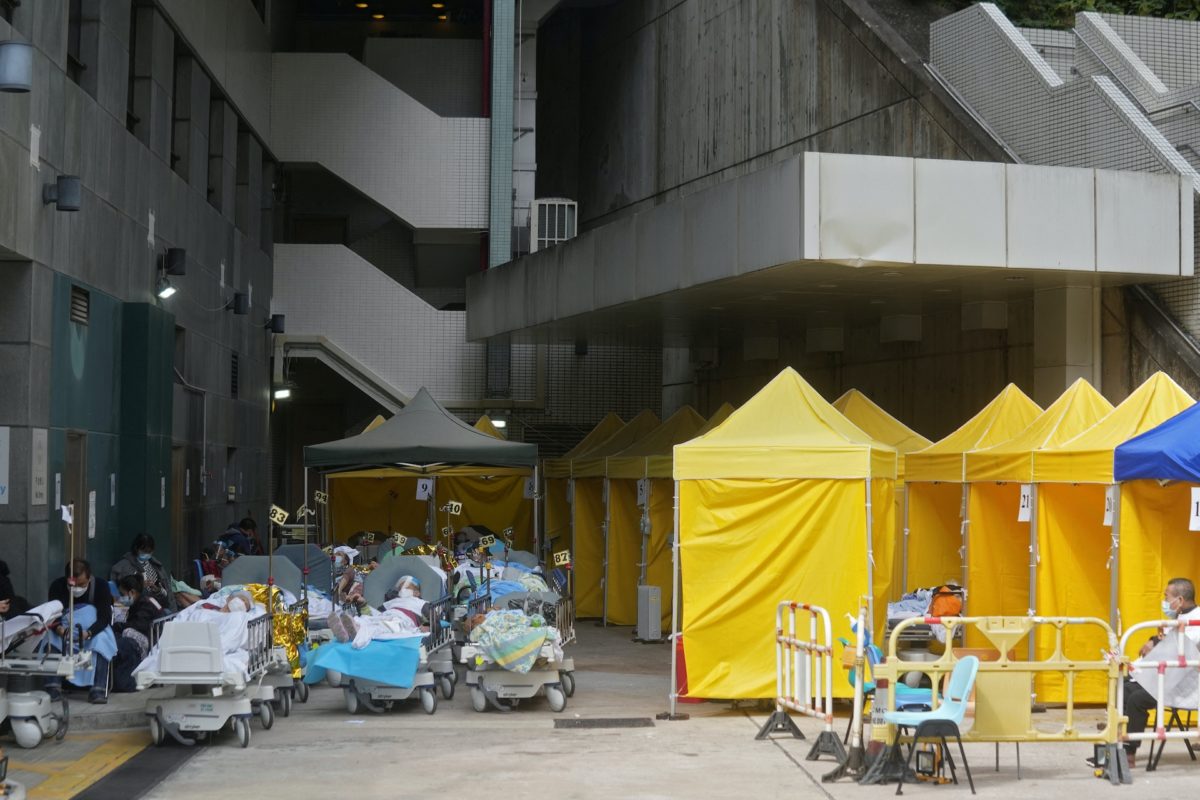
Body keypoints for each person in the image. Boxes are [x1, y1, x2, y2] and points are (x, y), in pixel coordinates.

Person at [1119, 578, 1200, 768]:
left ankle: (1129, 753)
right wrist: (1154, 639)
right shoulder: (1178, 618)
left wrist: (1155, 643)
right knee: (1123, 688)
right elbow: (1168, 639)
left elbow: (1183, 642)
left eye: (1166, 597)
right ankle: (1121, 745)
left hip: (1186, 686)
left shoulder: (1197, 619)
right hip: (1168, 679)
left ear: (1179, 600)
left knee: (1137, 699)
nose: (1164, 601)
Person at [47, 559, 116, 704]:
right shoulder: (57, 586)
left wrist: (89, 633)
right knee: (50, 639)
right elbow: (52, 615)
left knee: (102, 642)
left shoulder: (101, 586)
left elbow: (105, 617)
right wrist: (59, 629)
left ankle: (98, 689)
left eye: (82, 584)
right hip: (65, 631)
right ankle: (53, 687)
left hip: (92, 631)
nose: (78, 588)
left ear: (89, 578)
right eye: (74, 585)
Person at [111, 574, 166, 693]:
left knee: (123, 635)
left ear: (132, 592)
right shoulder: (143, 600)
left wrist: (118, 626)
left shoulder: (145, 604)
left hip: (150, 641)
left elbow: (138, 625)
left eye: (122, 594)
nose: (121, 598)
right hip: (152, 637)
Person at [110, 534, 177, 611]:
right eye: (143, 551)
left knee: (166, 612)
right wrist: (140, 586)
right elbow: (122, 596)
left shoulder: (156, 565)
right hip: (138, 609)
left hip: (157, 605)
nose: (146, 554)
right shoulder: (123, 567)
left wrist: (158, 590)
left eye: (149, 551)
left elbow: (167, 593)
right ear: (136, 548)